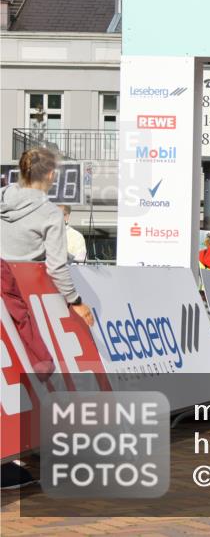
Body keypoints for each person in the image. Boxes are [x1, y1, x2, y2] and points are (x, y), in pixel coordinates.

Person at [1, 147, 93, 489]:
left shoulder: (2, 198)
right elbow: (56, 267)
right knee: (34, 368)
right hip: (16, 298)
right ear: (51, 175)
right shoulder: (50, 214)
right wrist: (76, 302)